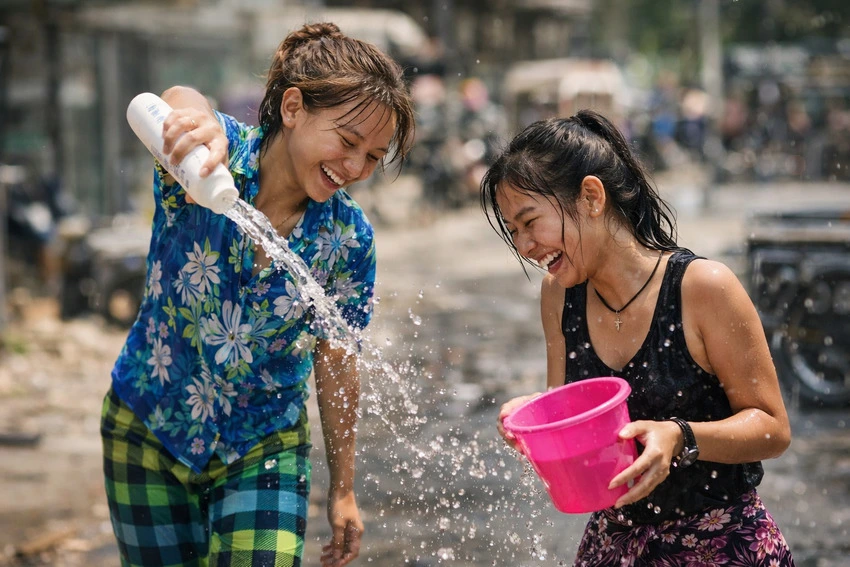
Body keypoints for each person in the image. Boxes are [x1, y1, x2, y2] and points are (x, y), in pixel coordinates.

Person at [101, 22, 414, 567]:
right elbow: (175, 102)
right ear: (293, 108)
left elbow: (337, 360)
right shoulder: (206, 161)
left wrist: (343, 487)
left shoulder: (348, 239)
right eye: (347, 141)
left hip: (262, 447)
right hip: (148, 426)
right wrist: (193, 114)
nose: (355, 167)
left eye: (372, 156)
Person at [484, 110, 796, 565]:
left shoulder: (702, 287)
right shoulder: (559, 296)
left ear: (591, 196)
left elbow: (773, 428)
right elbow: (576, 433)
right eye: (513, 231)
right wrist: (533, 425)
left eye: (530, 222)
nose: (525, 245)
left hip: (723, 546)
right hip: (613, 546)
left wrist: (681, 437)